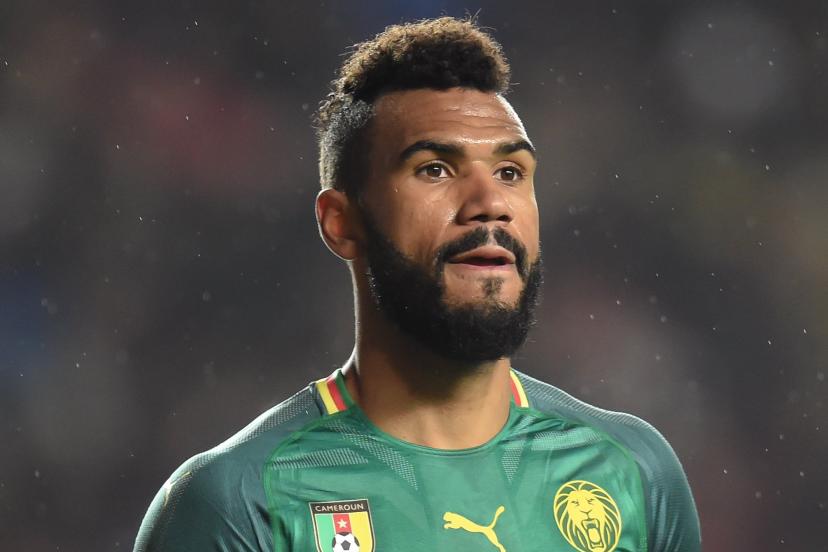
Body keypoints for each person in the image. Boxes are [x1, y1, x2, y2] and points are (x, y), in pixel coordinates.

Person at [134, 17, 701, 552]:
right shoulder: (239, 501)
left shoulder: (633, 471)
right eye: (435, 169)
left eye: (510, 172)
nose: (490, 203)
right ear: (341, 223)